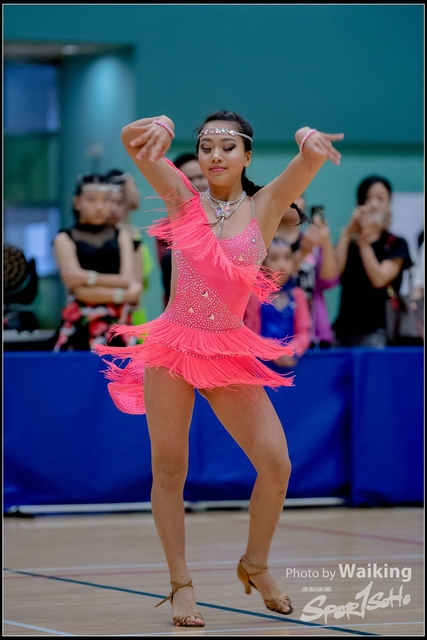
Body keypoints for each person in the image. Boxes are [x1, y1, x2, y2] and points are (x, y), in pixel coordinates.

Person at [94, 113, 343, 627]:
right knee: (170, 468)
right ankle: (180, 583)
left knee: (276, 466)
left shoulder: (266, 204)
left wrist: (305, 136)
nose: (215, 155)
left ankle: (256, 563)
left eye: (227, 147)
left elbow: (310, 159)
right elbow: (131, 142)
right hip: (173, 347)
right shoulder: (184, 199)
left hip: (227, 349)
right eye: (206, 145)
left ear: (247, 156)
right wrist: (161, 124)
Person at [52, 173, 142, 351]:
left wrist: (85, 276)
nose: (99, 207)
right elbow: (81, 293)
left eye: (106, 200)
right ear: (77, 202)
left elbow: (127, 280)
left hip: (120, 325)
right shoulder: (64, 238)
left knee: (126, 368)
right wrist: (123, 294)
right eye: (91, 200)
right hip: (81, 326)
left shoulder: (122, 236)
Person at [332, 175, 413, 348]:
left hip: (378, 330)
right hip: (342, 331)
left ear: (389, 203)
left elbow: (379, 279)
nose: (373, 204)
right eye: (368, 198)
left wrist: (364, 243)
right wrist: (346, 233)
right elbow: (334, 275)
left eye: (380, 199)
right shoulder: (348, 243)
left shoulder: (396, 244)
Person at [275, 194, 340, 348]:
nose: (294, 201)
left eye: (299, 196)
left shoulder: (311, 241)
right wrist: (303, 253)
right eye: (290, 194)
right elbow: (272, 282)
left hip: (313, 327)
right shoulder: (269, 243)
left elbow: (329, 281)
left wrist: (325, 240)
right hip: (277, 326)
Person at [244, 236, 311, 369]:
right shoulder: (254, 295)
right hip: (259, 365)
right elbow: (249, 333)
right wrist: (273, 350)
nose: (282, 264)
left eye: (287, 257)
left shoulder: (298, 295)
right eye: (274, 258)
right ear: (263, 263)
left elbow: (304, 333)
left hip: (290, 364)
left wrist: (290, 350)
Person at [156, 153, 209, 308]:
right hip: (183, 308)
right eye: (189, 179)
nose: (197, 183)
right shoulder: (166, 229)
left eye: (201, 176)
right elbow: (171, 272)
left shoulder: (230, 216)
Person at [105, 168, 154, 324]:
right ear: (122, 189)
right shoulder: (118, 237)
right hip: (120, 315)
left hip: (136, 312)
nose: (138, 192)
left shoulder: (133, 232)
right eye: (135, 186)